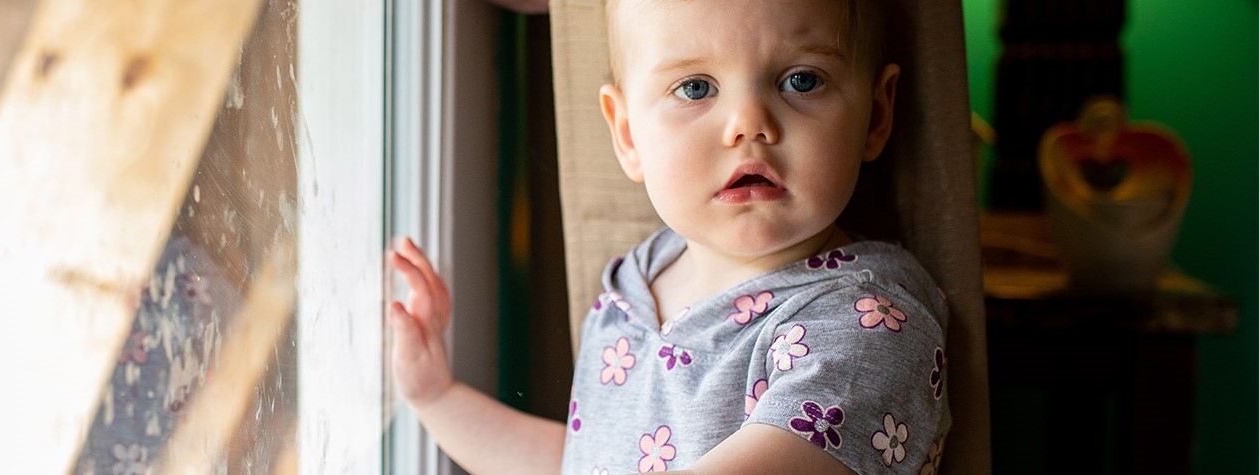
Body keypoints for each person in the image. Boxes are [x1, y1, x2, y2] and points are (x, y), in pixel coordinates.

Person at [385, 0, 950, 473]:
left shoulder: (868, 322)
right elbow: (589, 462)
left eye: (800, 80)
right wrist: (438, 399)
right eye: (696, 87)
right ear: (627, 134)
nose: (748, 122)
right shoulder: (636, 284)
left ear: (876, 114)